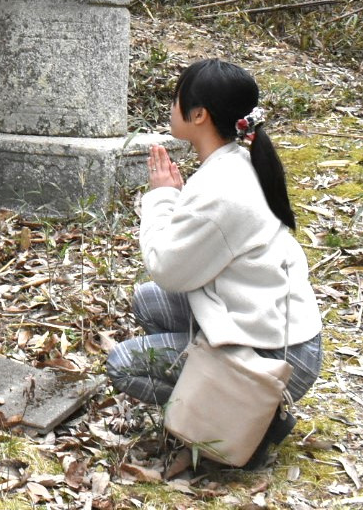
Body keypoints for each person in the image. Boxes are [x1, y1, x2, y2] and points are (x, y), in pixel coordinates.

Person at [105, 58, 323, 467]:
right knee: (149, 301)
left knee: (121, 365)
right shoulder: (239, 161)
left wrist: (162, 196)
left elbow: (165, 265)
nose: (171, 107)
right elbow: (177, 271)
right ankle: (228, 402)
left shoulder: (224, 189)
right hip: (279, 328)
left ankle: (238, 425)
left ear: (199, 114)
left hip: (277, 357)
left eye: (176, 99)